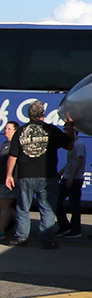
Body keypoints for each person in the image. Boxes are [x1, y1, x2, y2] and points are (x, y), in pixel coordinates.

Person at [5, 100, 71, 248]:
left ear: (28, 115)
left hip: (25, 175)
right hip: (47, 176)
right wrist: (71, 127)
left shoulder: (21, 131)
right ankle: (47, 238)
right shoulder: (51, 130)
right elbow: (70, 145)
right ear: (43, 114)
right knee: (47, 208)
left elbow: (13, 156)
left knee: (23, 207)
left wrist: (9, 175)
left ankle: (22, 237)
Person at [56, 124, 85, 238]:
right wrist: (61, 173)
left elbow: (78, 161)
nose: (65, 132)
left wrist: (72, 177)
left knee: (74, 205)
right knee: (57, 201)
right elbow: (70, 162)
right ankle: (64, 226)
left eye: (67, 129)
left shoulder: (79, 145)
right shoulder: (71, 145)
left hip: (75, 179)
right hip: (67, 177)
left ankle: (76, 229)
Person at [0, 121, 15, 238]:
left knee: (4, 206)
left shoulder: (15, 145)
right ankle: (23, 224)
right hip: (1, 180)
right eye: (5, 129)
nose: (6, 131)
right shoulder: (5, 144)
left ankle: (1, 231)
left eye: (9, 129)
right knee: (6, 206)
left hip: (8, 181)